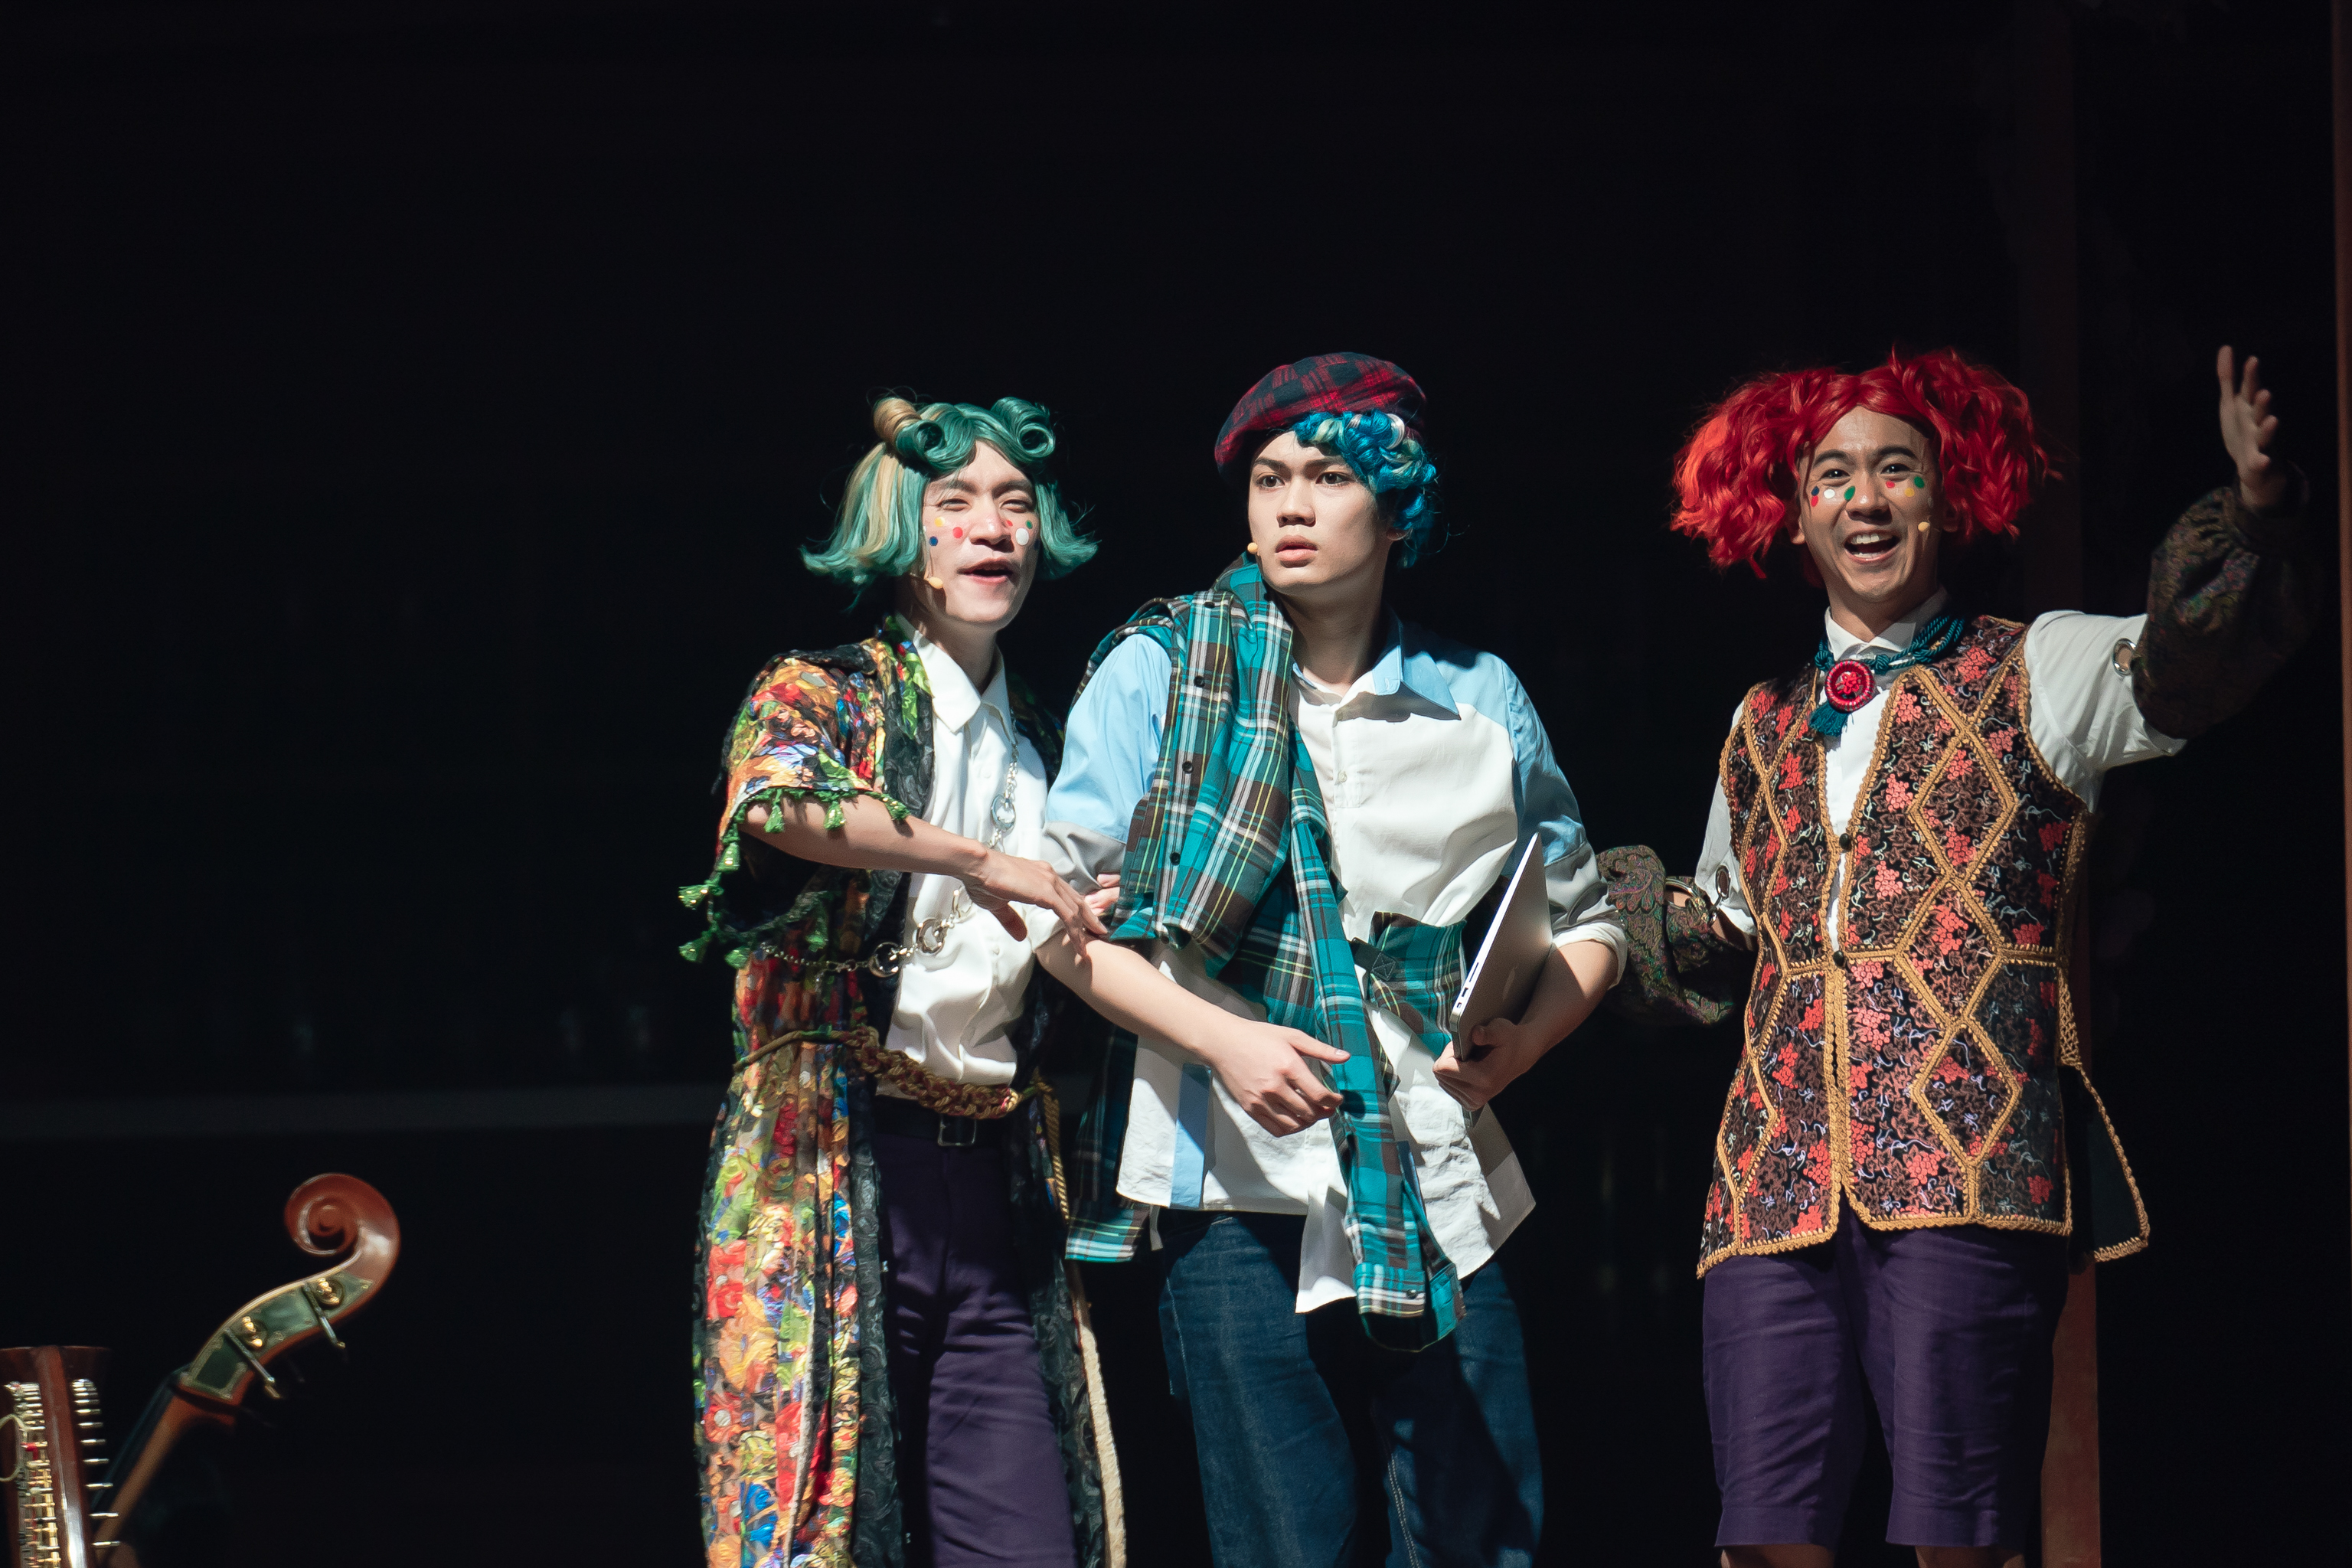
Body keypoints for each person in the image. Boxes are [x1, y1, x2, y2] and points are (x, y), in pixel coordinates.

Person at [1607, 346, 2314, 1567]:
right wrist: (1581, 917)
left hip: (1967, 1163)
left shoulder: (2036, 667)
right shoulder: (1760, 719)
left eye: (1898, 469)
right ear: (1793, 516)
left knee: (1958, 1536)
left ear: (1950, 497)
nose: (1867, 499)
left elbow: (2186, 665)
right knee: (1764, 1533)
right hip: (1775, 1177)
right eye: (1834, 477)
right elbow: (1722, 932)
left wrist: (2254, 513)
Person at [1034, 353, 1625, 1568]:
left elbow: (1589, 920)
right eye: (1269, 480)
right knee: (1282, 1547)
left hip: (1436, 1170)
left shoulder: (1478, 698)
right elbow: (1055, 919)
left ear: (1398, 510)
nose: (1291, 506)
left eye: (1329, 477)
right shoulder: (1165, 671)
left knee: (1479, 1540)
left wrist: (1525, 1041)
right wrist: (1224, 1040)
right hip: (1228, 1176)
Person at [680, 395, 1125, 1568]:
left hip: (991, 1181)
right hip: (832, 1163)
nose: (995, 529)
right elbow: (777, 802)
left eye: (1015, 505)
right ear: (899, 530)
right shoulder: (825, 690)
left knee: (1028, 1540)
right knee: (822, 1530)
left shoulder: (1044, 735)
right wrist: (976, 858)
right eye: (957, 503)